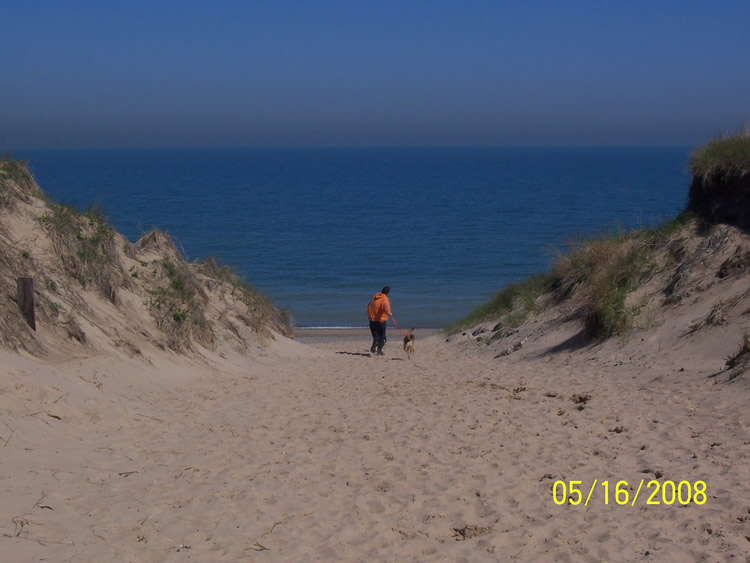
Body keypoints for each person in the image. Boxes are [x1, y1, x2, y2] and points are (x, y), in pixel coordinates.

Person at [367, 286, 392, 355]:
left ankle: (375, 343)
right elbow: (385, 306)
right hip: (380, 321)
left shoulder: (375, 296)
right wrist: (389, 313)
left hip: (372, 320)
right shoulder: (385, 299)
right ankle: (379, 350)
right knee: (383, 338)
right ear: (388, 293)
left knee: (376, 336)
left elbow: (370, 305)